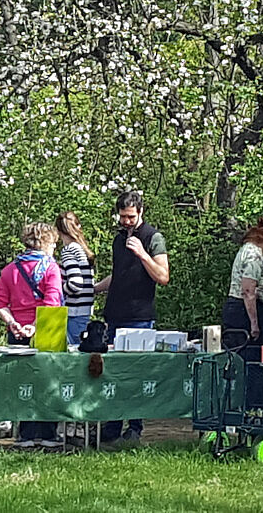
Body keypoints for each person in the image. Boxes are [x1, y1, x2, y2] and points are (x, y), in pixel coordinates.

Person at [93, 190, 170, 445]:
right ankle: (112, 426)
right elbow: (118, 275)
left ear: (141, 212)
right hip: (115, 313)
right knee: (113, 372)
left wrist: (142, 254)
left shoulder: (152, 237)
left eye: (130, 217)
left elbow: (162, 276)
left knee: (136, 373)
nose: (126, 221)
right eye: (122, 216)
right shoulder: (118, 239)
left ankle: (135, 428)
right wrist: (93, 288)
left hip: (139, 316)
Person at [0, 221, 64, 448]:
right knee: (49, 381)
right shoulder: (51, 268)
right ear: (45, 243)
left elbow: (0, 303)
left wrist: (14, 323)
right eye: (53, 244)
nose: (54, 248)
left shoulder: (10, 269)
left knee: (22, 382)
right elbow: (52, 302)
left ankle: (25, 435)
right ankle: (49, 434)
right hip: (47, 330)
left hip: (16, 333)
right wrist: (34, 326)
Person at [221, 218, 263, 345]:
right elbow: (248, 291)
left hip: (236, 307)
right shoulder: (254, 256)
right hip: (243, 311)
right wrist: (254, 324)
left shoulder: (245, 249)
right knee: (250, 353)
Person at [55, 211, 95, 346]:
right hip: (84, 311)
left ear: (58, 232)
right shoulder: (82, 250)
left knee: (73, 357)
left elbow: (75, 283)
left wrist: (58, 291)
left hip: (73, 313)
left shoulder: (68, 251)